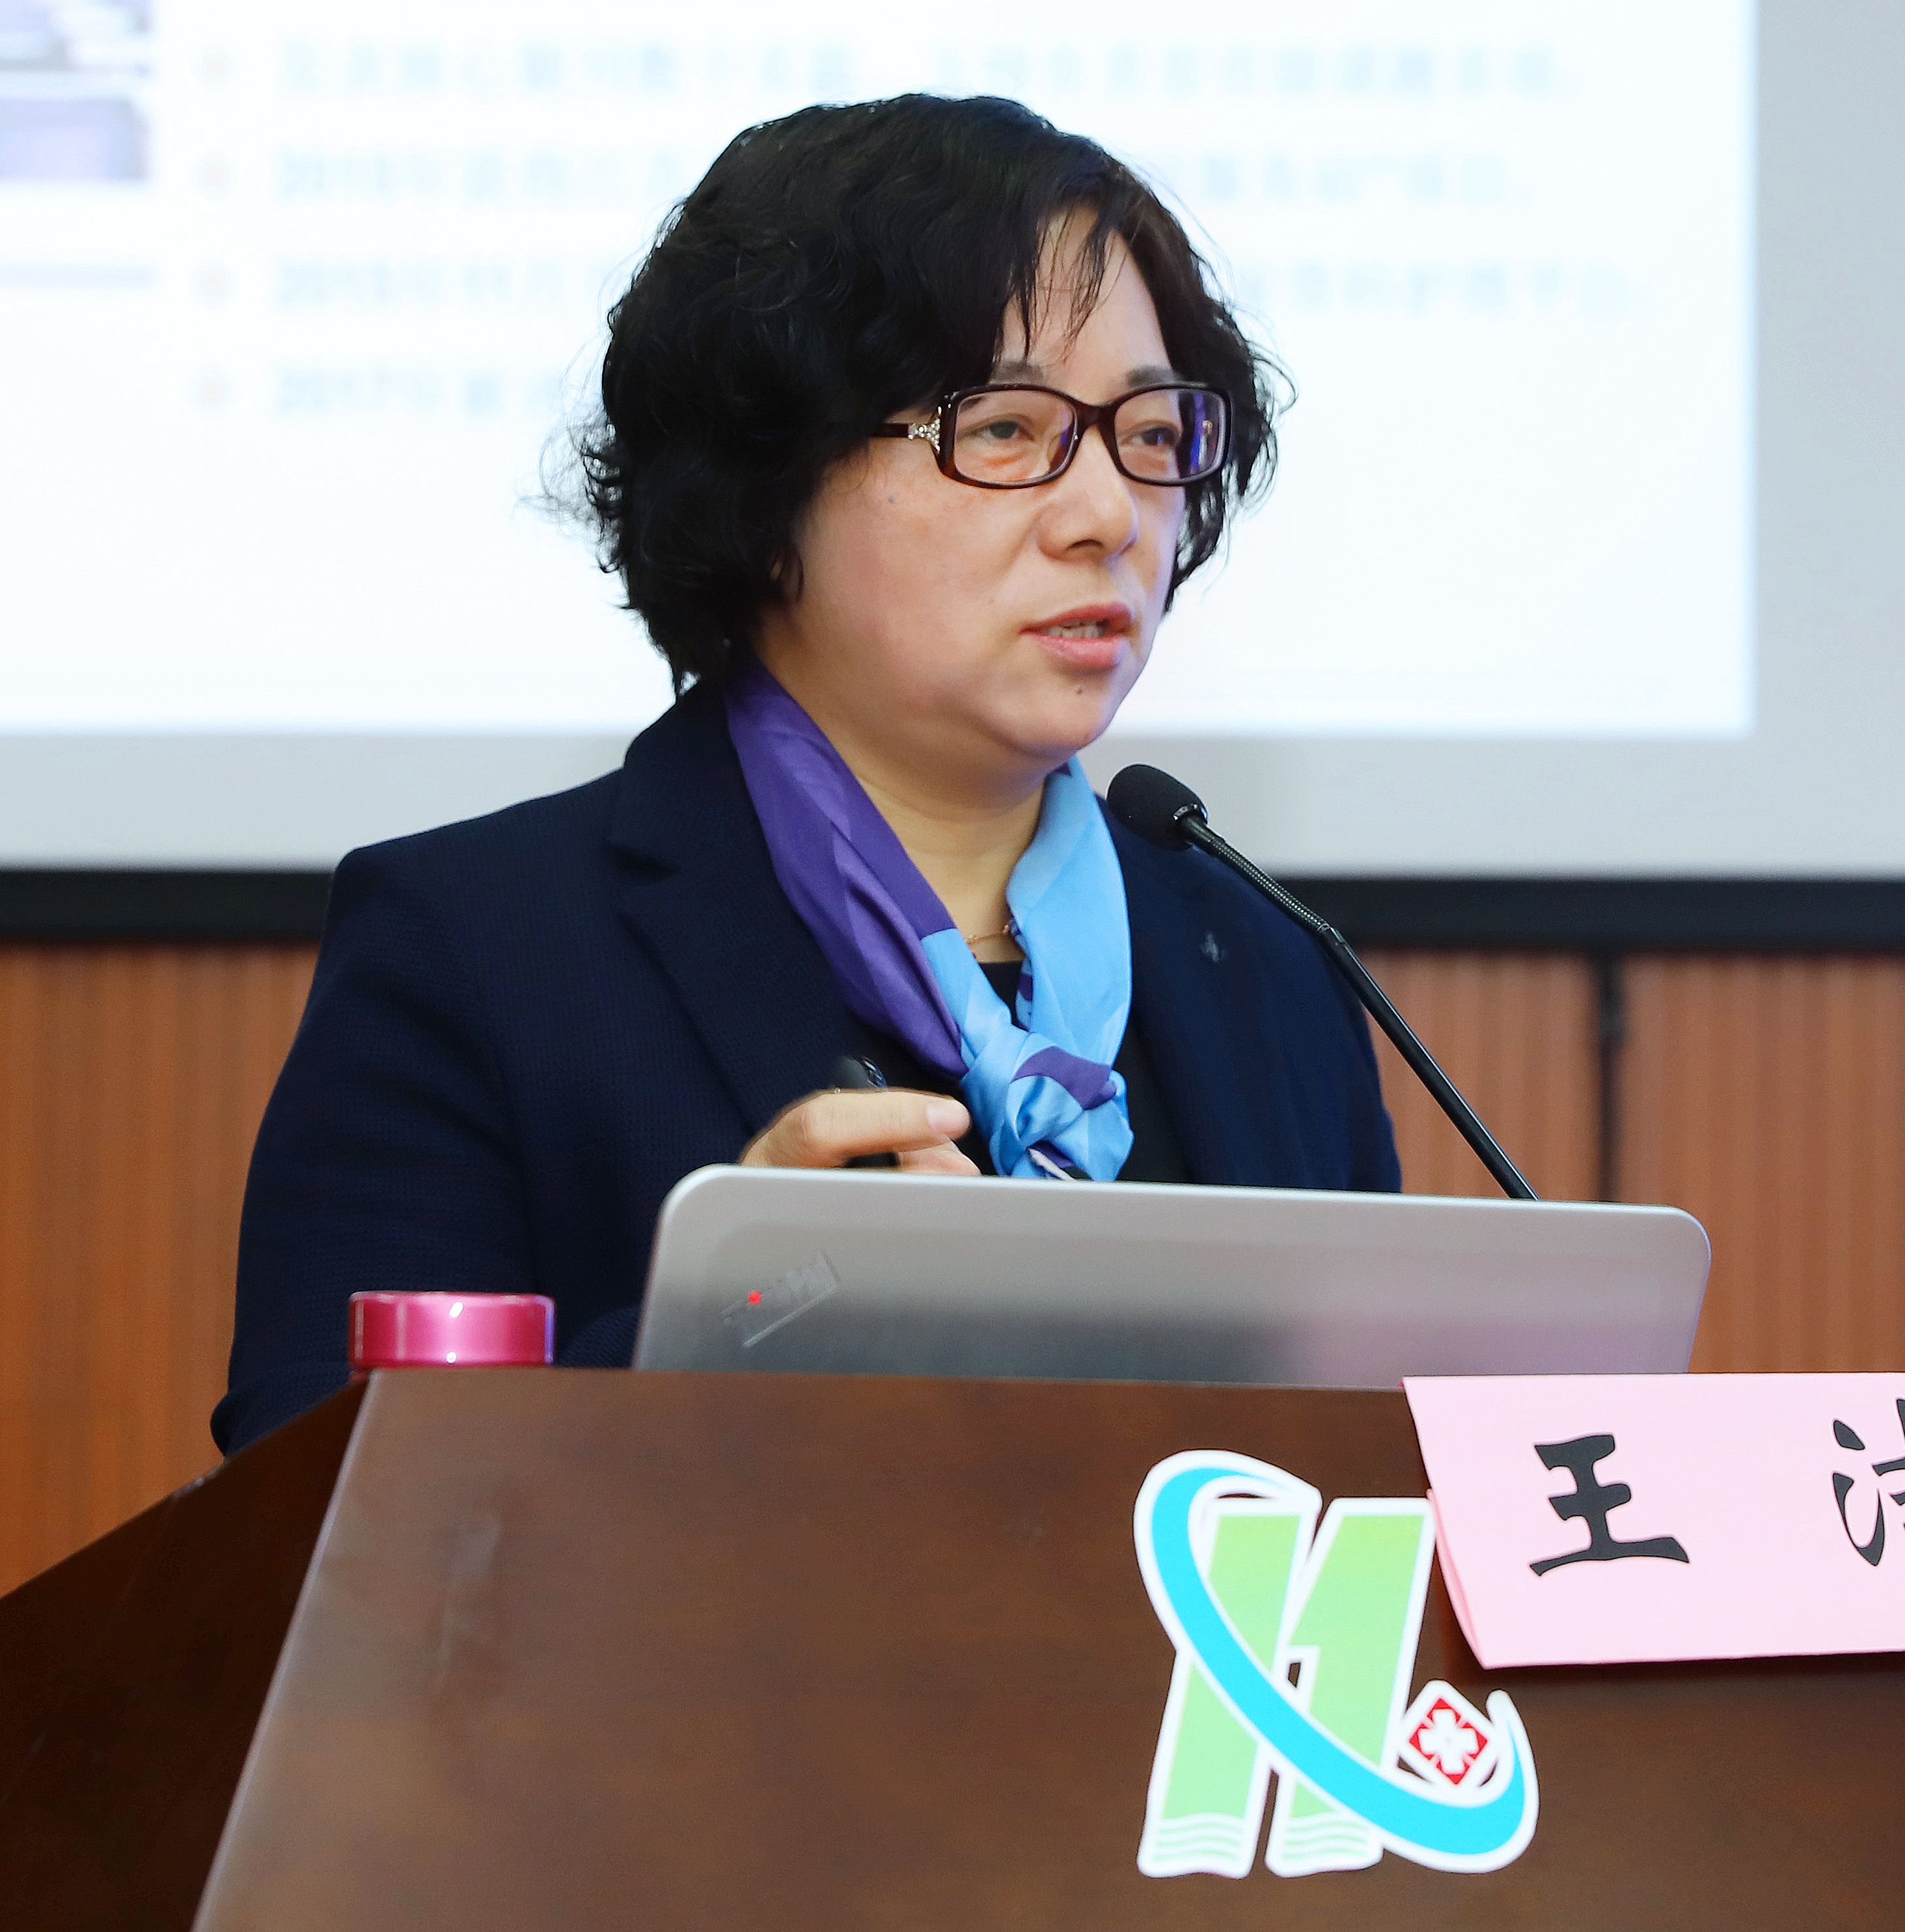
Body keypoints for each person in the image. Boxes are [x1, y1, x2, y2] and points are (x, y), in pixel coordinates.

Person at [213, 94, 1400, 1452]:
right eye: (1003, 429)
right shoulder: (477, 953)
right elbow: (312, 1506)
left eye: (1147, 431)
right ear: (767, 478)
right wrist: (733, 1314)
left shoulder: (1266, 973)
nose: (1106, 515)